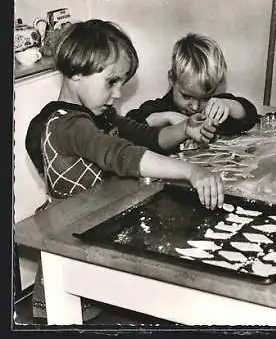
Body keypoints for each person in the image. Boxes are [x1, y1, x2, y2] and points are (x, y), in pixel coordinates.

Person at [24, 19, 225, 322]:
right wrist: (190, 171)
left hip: (96, 239)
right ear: (77, 72)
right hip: (72, 253)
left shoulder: (98, 115)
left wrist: (186, 130)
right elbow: (123, 155)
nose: (118, 94)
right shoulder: (69, 125)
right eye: (111, 82)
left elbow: (144, 136)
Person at [126, 32, 258, 147]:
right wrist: (166, 117)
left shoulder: (213, 110)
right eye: (186, 96)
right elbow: (128, 127)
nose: (195, 107)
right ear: (172, 79)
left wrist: (228, 105)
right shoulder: (159, 108)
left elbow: (250, 116)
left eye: (205, 98)